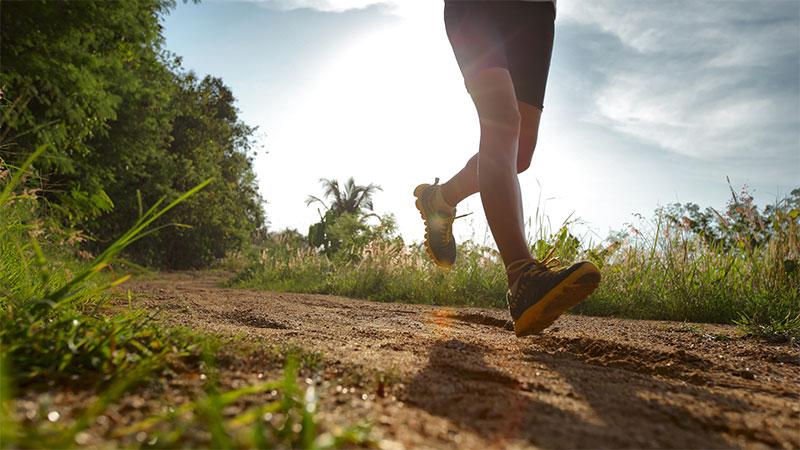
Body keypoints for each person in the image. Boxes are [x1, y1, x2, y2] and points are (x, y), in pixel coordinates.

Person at [414, 0, 601, 337]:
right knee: (501, 120)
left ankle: (440, 199)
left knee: (519, 156)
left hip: (536, 11)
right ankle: (522, 276)